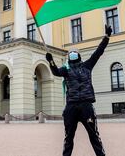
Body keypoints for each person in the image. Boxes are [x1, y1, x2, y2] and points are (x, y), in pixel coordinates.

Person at [46, 24, 112, 156]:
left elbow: (98, 52)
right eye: (73, 54)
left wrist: (51, 61)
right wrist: (51, 61)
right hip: (79, 106)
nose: (73, 54)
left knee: (81, 137)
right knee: (81, 136)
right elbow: (98, 52)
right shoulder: (77, 67)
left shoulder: (76, 68)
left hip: (78, 106)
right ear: (75, 58)